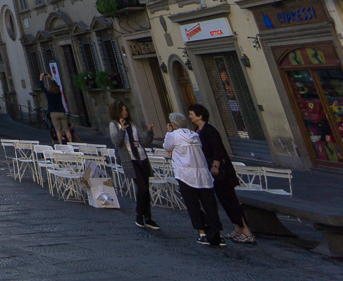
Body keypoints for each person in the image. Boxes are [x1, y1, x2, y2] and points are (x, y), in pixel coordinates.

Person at [189, 104, 255, 244]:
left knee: (231, 201)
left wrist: (216, 165)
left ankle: (247, 233)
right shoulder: (198, 130)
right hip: (212, 171)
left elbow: (218, 149)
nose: (190, 116)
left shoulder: (209, 130)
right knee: (225, 201)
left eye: (192, 114)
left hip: (220, 171)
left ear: (200, 115)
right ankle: (238, 229)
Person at [164, 113, 222, 247]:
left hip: (185, 174)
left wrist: (169, 132)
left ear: (174, 125)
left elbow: (167, 147)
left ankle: (202, 233)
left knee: (193, 205)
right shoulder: (194, 135)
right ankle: (216, 233)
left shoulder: (173, 135)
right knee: (210, 205)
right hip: (202, 174)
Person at [108, 101, 159, 231]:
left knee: (146, 189)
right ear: (117, 112)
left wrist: (149, 132)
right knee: (141, 187)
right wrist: (122, 130)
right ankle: (139, 214)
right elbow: (116, 141)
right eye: (122, 110)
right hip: (130, 159)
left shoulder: (133, 124)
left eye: (126, 109)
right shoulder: (114, 124)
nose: (125, 112)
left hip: (141, 157)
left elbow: (144, 142)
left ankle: (148, 217)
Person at [39, 73, 75, 144]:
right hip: (62, 112)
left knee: (58, 130)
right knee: (67, 129)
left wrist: (41, 78)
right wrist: (50, 77)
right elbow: (58, 86)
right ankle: (71, 143)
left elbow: (42, 87)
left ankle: (60, 144)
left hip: (54, 113)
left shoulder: (48, 94)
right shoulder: (58, 93)